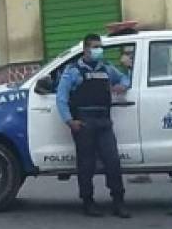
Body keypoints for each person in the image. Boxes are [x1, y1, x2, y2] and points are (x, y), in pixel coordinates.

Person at [56, 33, 132, 218]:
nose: (99, 50)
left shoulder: (106, 68)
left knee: (113, 161)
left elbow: (124, 80)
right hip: (84, 122)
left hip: (104, 121)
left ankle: (118, 201)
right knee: (86, 164)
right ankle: (88, 202)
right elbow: (61, 98)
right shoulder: (73, 71)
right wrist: (70, 121)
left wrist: (123, 85)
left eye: (100, 47)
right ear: (85, 49)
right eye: (95, 47)